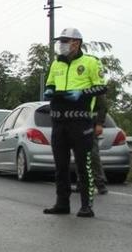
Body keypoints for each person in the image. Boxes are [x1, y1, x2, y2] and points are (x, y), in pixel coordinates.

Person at [43, 27, 107, 218]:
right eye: (60, 41)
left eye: (65, 41)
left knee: (83, 165)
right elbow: (50, 84)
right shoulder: (56, 64)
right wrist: (49, 90)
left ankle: (86, 206)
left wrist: (82, 94)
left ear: (76, 43)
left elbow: (101, 88)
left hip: (81, 121)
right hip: (59, 120)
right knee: (60, 165)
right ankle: (62, 203)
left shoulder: (91, 62)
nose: (61, 45)